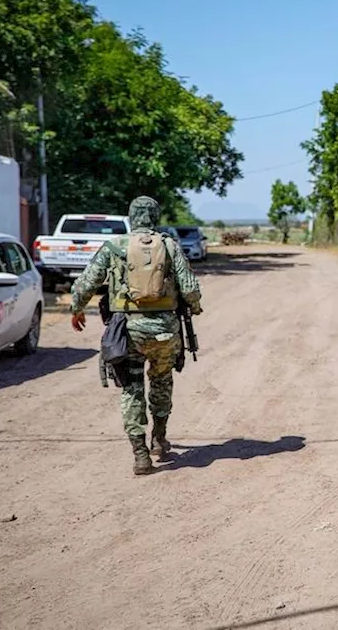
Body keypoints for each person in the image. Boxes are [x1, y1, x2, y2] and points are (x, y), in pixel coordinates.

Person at [69, 196, 203, 476]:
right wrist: (195, 306)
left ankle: (140, 455)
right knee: (162, 381)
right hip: (166, 332)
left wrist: (76, 308)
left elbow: (87, 281)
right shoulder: (168, 245)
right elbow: (189, 287)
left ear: (132, 217)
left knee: (132, 388)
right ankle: (159, 438)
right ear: (155, 218)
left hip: (127, 331)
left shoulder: (115, 246)